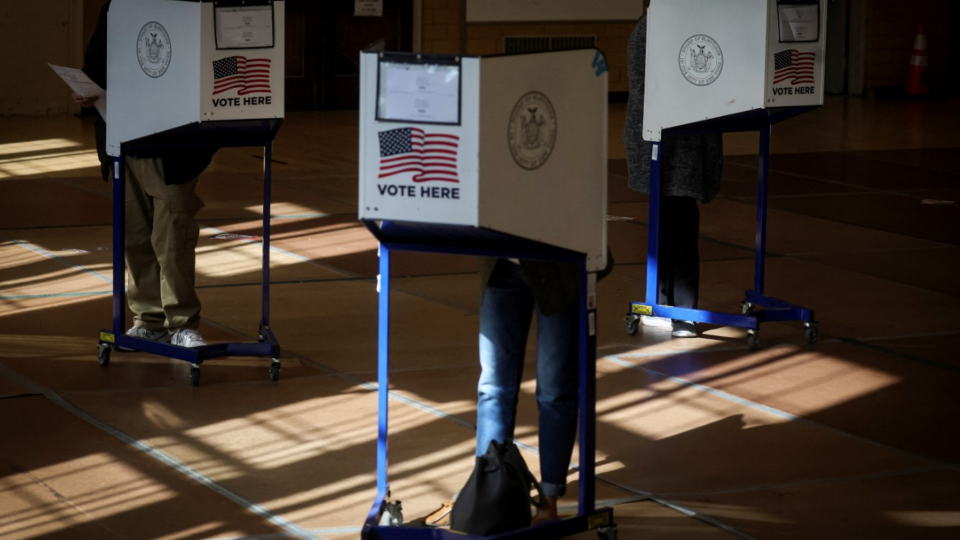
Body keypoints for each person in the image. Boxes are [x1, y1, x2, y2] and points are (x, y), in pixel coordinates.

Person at [77, 1, 216, 348]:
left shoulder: (189, 6)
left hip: (174, 146)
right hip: (125, 139)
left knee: (173, 239)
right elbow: (96, 62)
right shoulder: (117, 5)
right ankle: (149, 319)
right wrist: (87, 89)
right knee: (135, 239)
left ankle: (182, 323)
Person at [623, 3, 723, 338]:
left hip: (676, 138)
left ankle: (672, 306)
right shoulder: (661, 28)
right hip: (668, 138)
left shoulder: (661, 24)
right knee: (675, 223)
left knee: (673, 221)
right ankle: (677, 309)